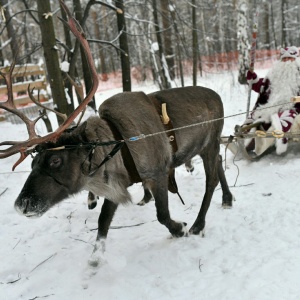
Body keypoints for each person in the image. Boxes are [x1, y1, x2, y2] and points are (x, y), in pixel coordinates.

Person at [243, 46, 300, 156]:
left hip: (293, 107)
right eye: (284, 59)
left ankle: (264, 142)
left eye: (290, 59)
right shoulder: (274, 74)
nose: (287, 62)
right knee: (257, 118)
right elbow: (263, 87)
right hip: (271, 106)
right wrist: (253, 80)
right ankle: (246, 140)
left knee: (281, 119)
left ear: (296, 59)